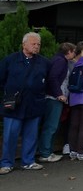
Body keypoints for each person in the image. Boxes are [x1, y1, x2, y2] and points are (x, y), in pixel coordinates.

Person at [0, 32, 51, 174]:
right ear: (24, 44)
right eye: (33, 44)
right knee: (10, 135)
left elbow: (48, 81)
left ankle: (28, 161)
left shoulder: (44, 62)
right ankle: (6, 163)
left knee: (31, 134)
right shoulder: (10, 60)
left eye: (38, 44)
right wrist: (8, 93)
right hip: (14, 104)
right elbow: (1, 79)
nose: (36, 46)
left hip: (34, 103)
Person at [38, 42, 76, 163]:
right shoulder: (61, 61)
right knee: (51, 126)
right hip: (54, 98)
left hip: (53, 97)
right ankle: (45, 153)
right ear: (69, 51)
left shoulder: (58, 59)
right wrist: (59, 94)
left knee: (51, 125)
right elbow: (53, 77)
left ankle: (47, 151)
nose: (75, 54)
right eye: (74, 51)